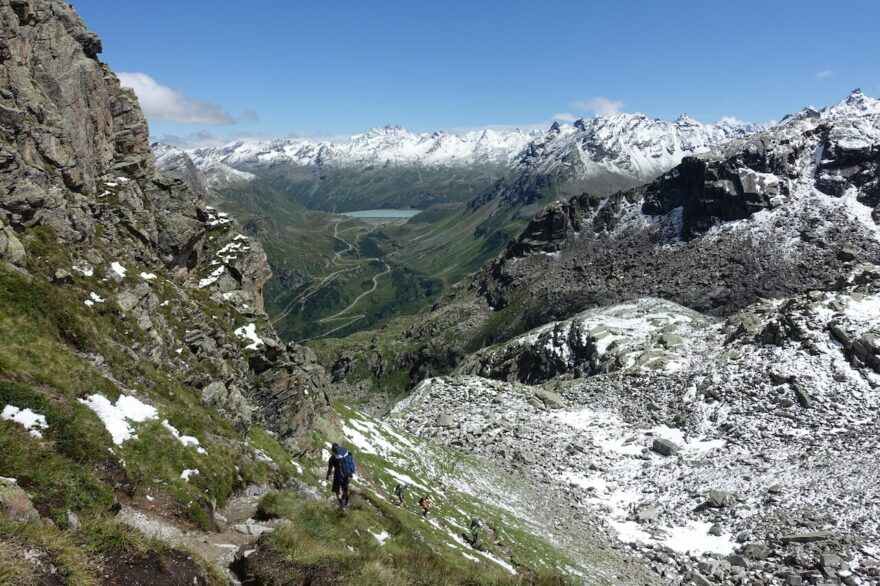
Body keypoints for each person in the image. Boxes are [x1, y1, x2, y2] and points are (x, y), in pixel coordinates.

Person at [325, 443, 355, 509]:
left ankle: (342, 504)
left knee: (337, 490)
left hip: (338, 475)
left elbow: (330, 469)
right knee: (345, 489)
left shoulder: (332, 458)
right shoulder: (345, 454)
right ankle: (346, 503)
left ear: (333, 450)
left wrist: (327, 476)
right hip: (346, 474)